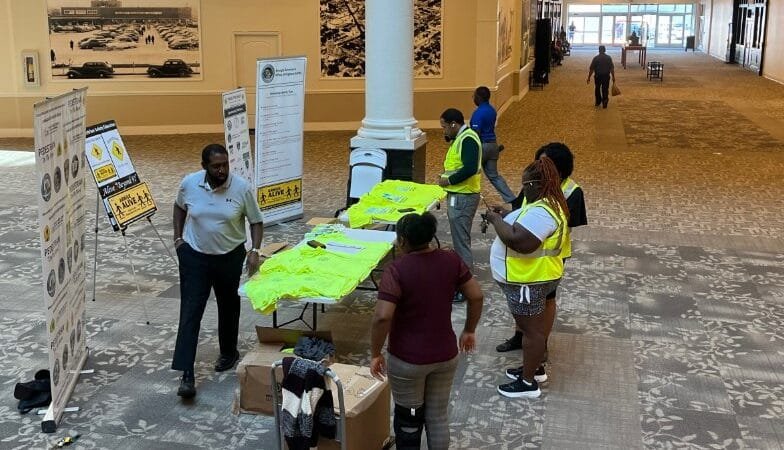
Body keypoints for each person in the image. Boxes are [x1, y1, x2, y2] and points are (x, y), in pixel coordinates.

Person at [370, 212, 483, 449]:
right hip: (445, 355)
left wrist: (375, 353)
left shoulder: (397, 270)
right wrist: (469, 330)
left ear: (402, 240)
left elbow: (382, 317)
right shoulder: (451, 260)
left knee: (409, 417)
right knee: (438, 417)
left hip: (408, 361)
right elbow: (476, 295)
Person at [171, 144, 264, 399]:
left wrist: (255, 250)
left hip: (229, 256)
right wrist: (178, 239)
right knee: (190, 312)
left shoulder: (241, 188)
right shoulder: (189, 183)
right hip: (195, 257)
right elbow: (179, 207)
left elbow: (256, 221)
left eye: (225, 164)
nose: (222, 170)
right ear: (204, 167)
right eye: (216, 166)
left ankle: (228, 351)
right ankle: (186, 373)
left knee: (228, 306)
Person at [485, 157, 568, 398]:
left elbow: (520, 242)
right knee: (530, 327)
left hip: (529, 279)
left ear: (535, 185)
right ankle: (535, 368)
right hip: (535, 276)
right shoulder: (545, 205)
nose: (522, 190)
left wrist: (496, 220)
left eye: (525, 185)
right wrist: (508, 215)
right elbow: (523, 222)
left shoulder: (543, 211)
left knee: (532, 331)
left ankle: (528, 383)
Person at [500, 143, 588, 367]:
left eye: (546, 163)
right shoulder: (534, 181)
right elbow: (521, 208)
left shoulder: (572, 192)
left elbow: (563, 223)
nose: (541, 167)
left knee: (545, 300)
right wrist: (504, 215)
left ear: (560, 169)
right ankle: (521, 336)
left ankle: (541, 343)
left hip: (549, 256)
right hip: (524, 252)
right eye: (539, 162)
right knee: (521, 298)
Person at [437, 108, 482, 302]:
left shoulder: (468, 139)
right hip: (458, 195)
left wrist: (450, 180)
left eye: (445, 127)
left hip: (463, 197)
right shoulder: (462, 138)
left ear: (454, 124)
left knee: (461, 243)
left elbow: (470, 168)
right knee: (459, 240)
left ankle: (465, 288)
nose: (444, 131)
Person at [470, 87, 515, 204]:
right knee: (494, 176)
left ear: (479, 97)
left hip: (482, 147)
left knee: (471, 173)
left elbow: (475, 133)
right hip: (493, 145)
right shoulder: (492, 110)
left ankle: (470, 198)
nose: (473, 98)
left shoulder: (478, 113)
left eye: (474, 96)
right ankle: (511, 198)